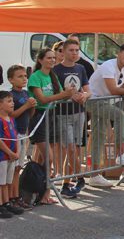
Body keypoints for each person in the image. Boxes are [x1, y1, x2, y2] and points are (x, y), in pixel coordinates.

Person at [87, 44, 124, 187]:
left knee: (99, 136)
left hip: (105, 102)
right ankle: (121, 154)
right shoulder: (108, 66)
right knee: (119, 115)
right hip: (93, 100)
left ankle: (95, 175)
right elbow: (113, 89)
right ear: (118, 54)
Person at [27, 49, 73, 202]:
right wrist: (63, 95)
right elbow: (42, 99)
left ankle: (37, 191)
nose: (52, 60)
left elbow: (61, 95)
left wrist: (73, 95)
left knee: (42, 159)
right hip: (39, 117)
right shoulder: (35, 77)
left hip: (51, 116)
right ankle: (45, 193)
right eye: (49, 58)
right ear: (40, 60)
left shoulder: (53, 76)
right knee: (49, 157)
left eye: (54, 58)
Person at [52, 38, 91, 198]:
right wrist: (68, 95)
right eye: (71, 50)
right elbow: (55, 93)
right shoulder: (56, 70)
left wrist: (84, 95)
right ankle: (80, 178)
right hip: (62, 114)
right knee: (69, 147)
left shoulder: (81, 68)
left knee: (74, 149)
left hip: (79, 113)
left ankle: (66, 184)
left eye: (77, 50)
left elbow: (88, 90)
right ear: (63, 52)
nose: (74, 53)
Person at [7, 66, 35, 210]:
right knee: (12, 168)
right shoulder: (10, 95)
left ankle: (16, 196)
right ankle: (10, 197)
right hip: (14, 135)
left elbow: (28, 115)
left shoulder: (25, 92)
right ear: (11, 79)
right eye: (20, 76)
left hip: (24, 133)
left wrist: (32, 107)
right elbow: (11, 115)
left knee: (18, 167)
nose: (24, 79)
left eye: (25, 76)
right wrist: (26, 106)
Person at [0, 91, 24, 218]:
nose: (12, 103)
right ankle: (1, 205)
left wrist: (17, 153)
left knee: (7, 182)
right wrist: (9, 152)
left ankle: (6, 202)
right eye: (8, 101)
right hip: (3, 157)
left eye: (12, 101)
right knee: (1, 182)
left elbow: (16, 137)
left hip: (12, 156)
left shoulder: (12, 119)